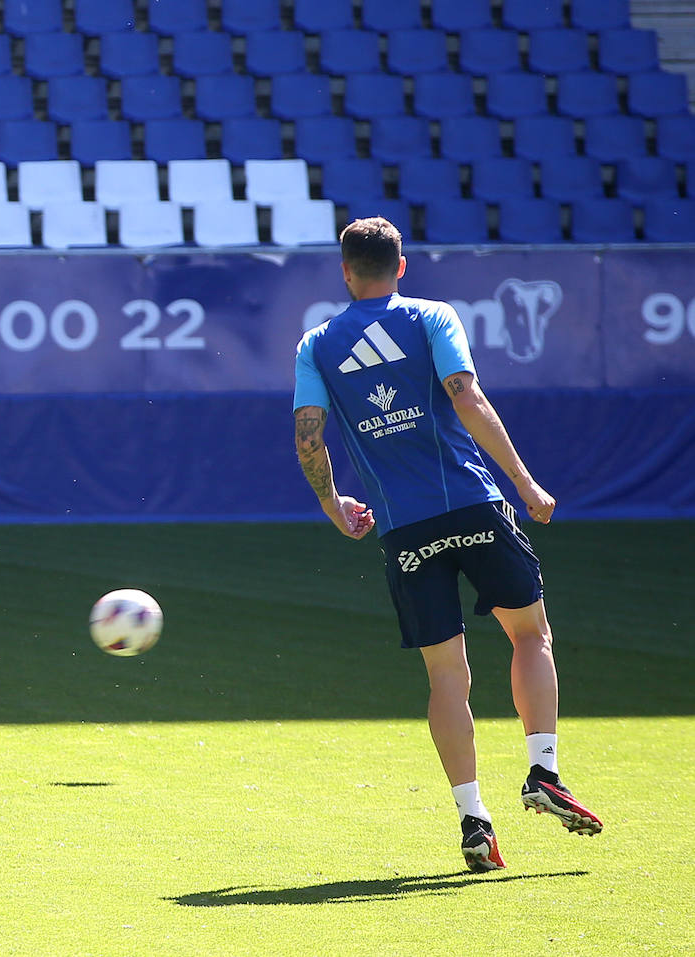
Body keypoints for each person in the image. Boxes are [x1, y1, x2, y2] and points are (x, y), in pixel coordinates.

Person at [292, 217, 602, 872]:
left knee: (445, 674)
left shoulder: (316, 344)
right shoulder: (431, 316)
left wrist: (331, 502)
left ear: (345, 271)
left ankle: (473, 818)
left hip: (404, 528)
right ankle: (543, 770)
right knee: (530, 635)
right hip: (471, 502)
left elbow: (309, 435)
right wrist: (524, 481)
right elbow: (467, 396)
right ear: (401, 266)